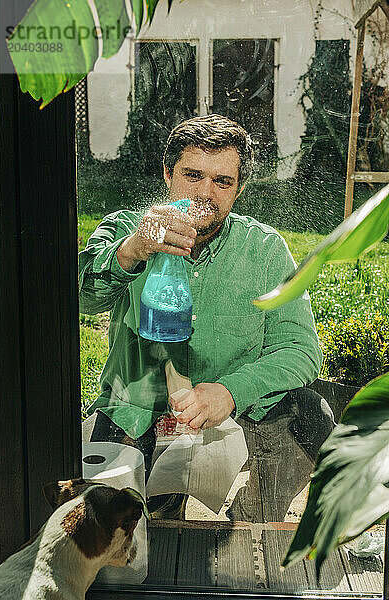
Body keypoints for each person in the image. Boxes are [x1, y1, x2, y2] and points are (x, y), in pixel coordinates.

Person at [79, 114, 334, 521]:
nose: (204, 193)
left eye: (222, 181)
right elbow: (80, 299)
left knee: (312, 417)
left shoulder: (264, 250)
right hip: (142, 410)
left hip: (231, 413)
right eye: (193, 175)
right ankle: (163, 508)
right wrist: (131, 250)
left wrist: (230, 391)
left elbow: (301, 350)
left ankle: (255, 510)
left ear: (240, 188)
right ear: (167, 174)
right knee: (131, 535)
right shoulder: (130, 228)